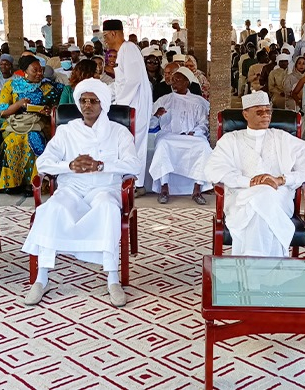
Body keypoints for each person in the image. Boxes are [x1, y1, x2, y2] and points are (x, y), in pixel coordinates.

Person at [22, 78, 139, 307]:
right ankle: (42, 277)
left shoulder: (119, 132)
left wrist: (102, 165)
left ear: (103, 103)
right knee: (52, 209)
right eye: (83, 101)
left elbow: (134, 166)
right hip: (72, 187)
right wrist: (69, 166)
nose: (87, 105)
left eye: (93, 101)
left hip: (105, 187)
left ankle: (112, 278)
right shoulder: (67, 131)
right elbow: (44, 163)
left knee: (107, 209)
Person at [204, 92, 305, 256]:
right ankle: (270, 270)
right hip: (240, 197)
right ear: (245, 114)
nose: (265, 115)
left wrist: (281, 180)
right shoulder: (230, 140)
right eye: (259, 111)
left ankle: (250, 264)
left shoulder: (286, 139)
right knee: (261, 200)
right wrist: (248, 182)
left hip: (278, 197)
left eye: (268, 111)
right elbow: (212, 170)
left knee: (263, 199)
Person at [0, 55, 62, 194]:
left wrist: (48, 111)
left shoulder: (47, 87)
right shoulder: (10, 86)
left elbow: (58, 105)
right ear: (25, 71)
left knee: (34, 138)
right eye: (35, 70)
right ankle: (13, 183)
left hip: (39, 124)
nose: (39, 74)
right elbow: (2, 112)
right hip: (16, 124)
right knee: (12, 141)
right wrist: (19, 104)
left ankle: (34, 184)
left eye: (41, 70)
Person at [103, 19, 152, 197]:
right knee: (128, 143)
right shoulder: (123, 50)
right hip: (129, 104)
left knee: (135, 143)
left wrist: (119, 105)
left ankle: (136, 184)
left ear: (114, 33)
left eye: (106, 35)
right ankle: (128, 180)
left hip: (134, 106)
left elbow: (132, 81)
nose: (105, 39)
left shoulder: (128, 48)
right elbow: (121, 83)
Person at [150, 67, 212, 205]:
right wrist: (156, 115)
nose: (173, 83)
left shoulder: (198, 101)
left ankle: (197, 189)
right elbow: (150, 124)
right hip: (169, 135)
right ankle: (164, 188)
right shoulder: (164, 100)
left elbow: (204, 123)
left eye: (178, 80)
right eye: (173, 80)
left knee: (203, 146)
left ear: (187, 83)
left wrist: (194, 132)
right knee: (162, 145)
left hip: (193, 136)